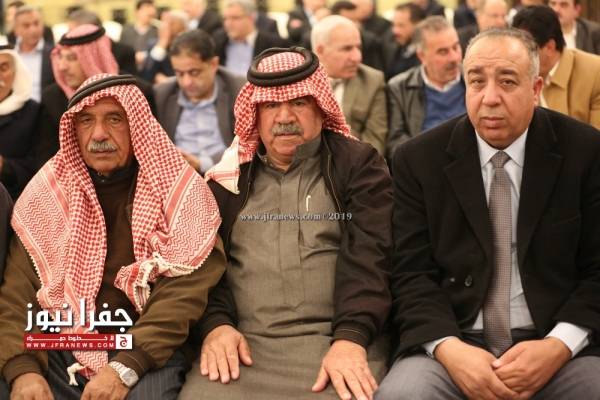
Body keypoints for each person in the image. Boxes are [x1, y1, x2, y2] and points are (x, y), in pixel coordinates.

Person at [377, 27, 600, 399]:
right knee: (404, 395)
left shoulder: (585, 152)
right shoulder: (419, 160)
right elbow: (410, 273)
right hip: (453, 341)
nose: (490, 98)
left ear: (536, 88)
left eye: (507, 82)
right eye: (476, 82)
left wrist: (559, 345)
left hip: (556, 341)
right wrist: (450, 349)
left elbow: (597, 269)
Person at [179, 47, 392, 400]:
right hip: (245, 345)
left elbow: (372, 258)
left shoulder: (357, 167)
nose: (284, 117)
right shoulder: (227, 181)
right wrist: (216, 326)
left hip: (338, 340)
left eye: (298, 103)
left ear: (321, 107)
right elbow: (203, 269)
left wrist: (351, 338)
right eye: (270, 106)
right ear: (255, 114)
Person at [0, 73, 227, 399]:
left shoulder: (177, 191)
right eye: (86, 121)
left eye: (114, 119)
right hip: (63, 339)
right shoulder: (45, 195)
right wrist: (23, 370)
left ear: (137, 125)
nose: (99, 134)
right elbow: (17, 293)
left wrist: (125, 367)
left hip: (144, 344)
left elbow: (183, 295)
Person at [38, 24, 156, 167]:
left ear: (93, 58)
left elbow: (150, 151)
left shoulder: (136, 92)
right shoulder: (52, 97)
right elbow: (46, 158)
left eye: (72, 58)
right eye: (61, 58)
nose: (62, 67)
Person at [154, 29, 246, 174]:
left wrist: (202, 164)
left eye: (194, 72)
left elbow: (246, 147)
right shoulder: (162, 94)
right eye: (179, 74)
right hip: (176, 175)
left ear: (214, 64)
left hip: (227, 174)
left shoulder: (238, 90)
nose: (186, 82)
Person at [386, 16, 464, 160]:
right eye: (443, 52)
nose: (454, 58)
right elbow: (395, 140)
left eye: (456, 47)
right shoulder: (400, 87)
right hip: (424, 163)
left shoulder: (475, 80)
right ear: (422, 56)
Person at [513, 5, 600, 129]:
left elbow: (596, 137)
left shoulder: (595, 72)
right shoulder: (517, 73)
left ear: (550, 47)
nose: (518, 56)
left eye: (526, 49)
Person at [312, 15, 387, 155]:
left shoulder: (372, 81)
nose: (357, 57)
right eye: (346, 49)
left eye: (358, 47)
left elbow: (375, 144)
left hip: (354, 163)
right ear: (320, 50)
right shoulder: (299, 82)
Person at [0, 44, 40, 199]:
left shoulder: (34, 112)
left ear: (16, 72)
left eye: (3, 68)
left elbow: (41, 167)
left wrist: (4, 166)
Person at [213, 0, 286, 77]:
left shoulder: (274, 44)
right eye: (225, 19)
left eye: (235, 18)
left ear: (251, 18)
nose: (228, 23)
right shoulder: (218, 41)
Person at [12, 5, 53, 102]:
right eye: (26, 25)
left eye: (36, 23)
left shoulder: (54, 54)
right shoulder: (11, 55)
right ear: (16, 30)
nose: (33, 30)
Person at [383, 2, 425, 80]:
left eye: (401, 25)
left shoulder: (426, 56)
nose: (395, 31)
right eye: (394, 25)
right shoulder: (395, 48)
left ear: (418, 25)